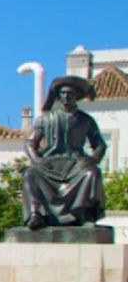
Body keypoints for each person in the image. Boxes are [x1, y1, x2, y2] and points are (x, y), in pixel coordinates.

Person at [22, 75, 109, 229]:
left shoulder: (86, 120)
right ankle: (36, 214)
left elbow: (100, 144)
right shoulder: (45, 118)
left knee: (91, 173)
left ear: (76, 97)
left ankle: (83, 214)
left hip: (77, 164)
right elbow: (30, 143)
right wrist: (37, 160)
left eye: (70, 94)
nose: (66, 97)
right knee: (30, 174)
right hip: (50, 163)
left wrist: (93, 159)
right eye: (63, 93)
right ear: (58, 96)